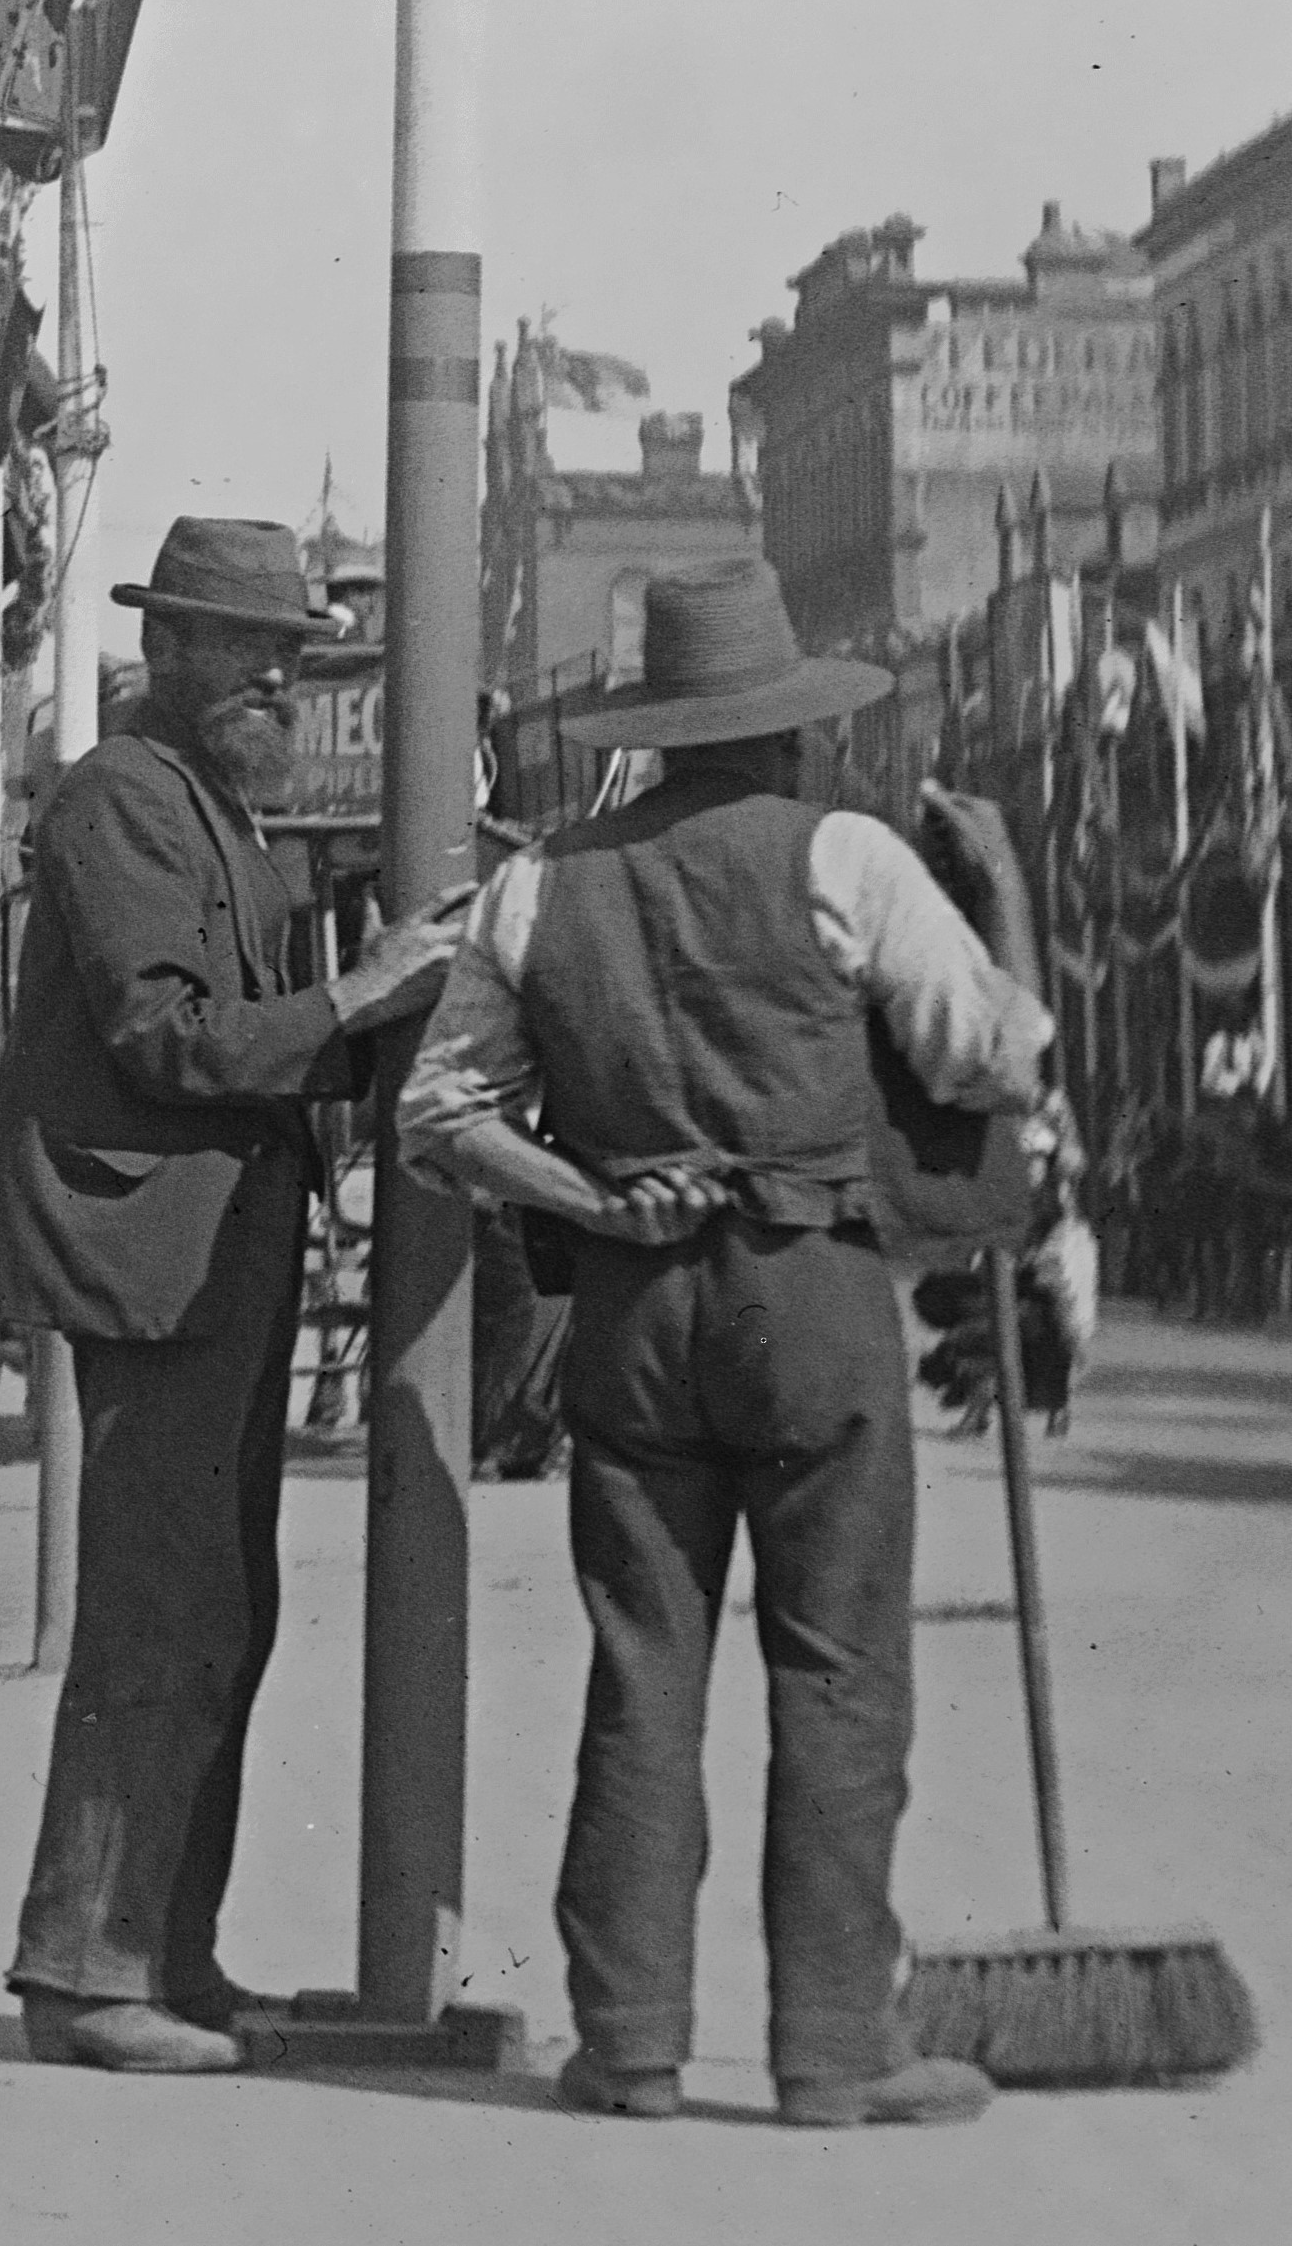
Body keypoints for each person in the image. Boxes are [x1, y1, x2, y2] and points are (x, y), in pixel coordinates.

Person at [398, 556, 1048, 2132]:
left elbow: (440, 1119)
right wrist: (1005, 899)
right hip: (808, 1297)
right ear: (782, 736)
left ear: (661, 734)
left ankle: (625, 2045)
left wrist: (595, 1199)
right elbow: (988, 1062)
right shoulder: (847, 853)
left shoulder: (537, 882)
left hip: (629, 1314)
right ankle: (830, 2048)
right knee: (833, 1671)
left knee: (640, 1672)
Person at [0, 515, 468, 2075]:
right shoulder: (124, 798)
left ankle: (162, 1952)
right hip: (150, 1265)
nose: (275, 679)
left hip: (204, 1257)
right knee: (158, 1616)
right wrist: (351, 995)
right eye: (247, 649)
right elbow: (165, 1038)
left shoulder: (211, 814)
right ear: (164, 648)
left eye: (290, 656)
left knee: (215, 1614)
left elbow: (253, 1039)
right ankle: (82, 1968)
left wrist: (374, 1006)